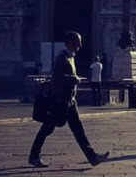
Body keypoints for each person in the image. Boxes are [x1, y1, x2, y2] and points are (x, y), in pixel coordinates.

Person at [29, 31, 109, 169]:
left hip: (69, 100)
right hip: (61, 100)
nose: (80, 45)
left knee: (78, 129)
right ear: (70, 42)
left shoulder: (69, 56)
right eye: (77, 42)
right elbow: (57, 78)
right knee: (48, 128)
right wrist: (74, 79)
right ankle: (34, 156)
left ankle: (93, 157)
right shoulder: (63, 57)